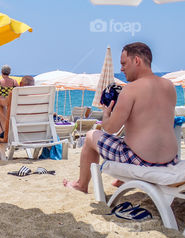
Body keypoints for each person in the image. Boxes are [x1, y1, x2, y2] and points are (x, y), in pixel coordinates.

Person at [64, 42, 178, 194]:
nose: (121, 69)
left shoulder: (130, 89)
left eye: (124, 63)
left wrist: (106, 115)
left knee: (91, 136)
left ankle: (81, 184)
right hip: (170, 160)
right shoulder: (169, 85)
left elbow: (110, 128)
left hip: (142, 161)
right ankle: (121, 180)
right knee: (131, 138)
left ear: (137, 60)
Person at [0, 65, 18, 142]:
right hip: (12, 105)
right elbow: (19, 93)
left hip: (5, 104)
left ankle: (4, 131)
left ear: (1, 72)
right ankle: (3, 131)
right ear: (9, 72)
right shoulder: (14, 82)